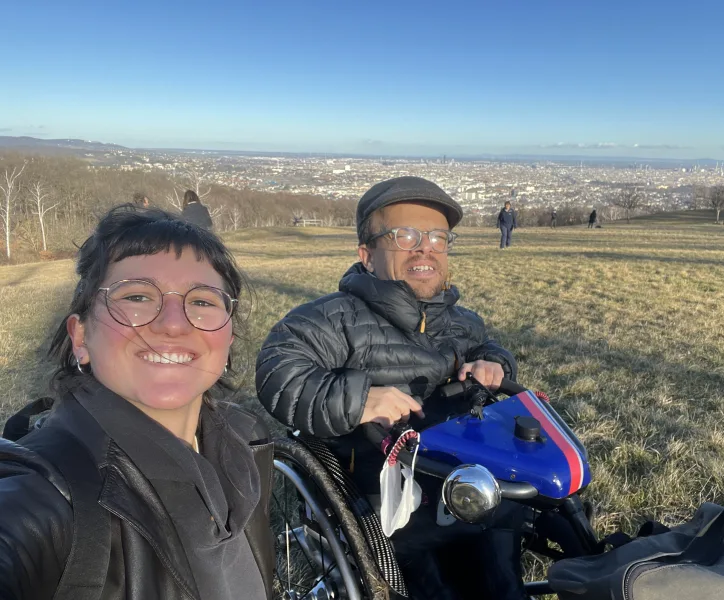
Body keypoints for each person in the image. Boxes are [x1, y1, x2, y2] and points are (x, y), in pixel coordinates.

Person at [257, 176, 525, 600]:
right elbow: (279, 374)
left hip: (468, 480)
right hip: (386, 497)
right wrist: (361, 399)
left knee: (505, 580)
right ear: (367, 255)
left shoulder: (463, 321)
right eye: (406, 236)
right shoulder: (332, 319)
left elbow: (490, 348)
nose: (425, 248)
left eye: (438, 237)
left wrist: (494, 362)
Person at [0, 206, 275, 599]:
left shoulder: (245, 443)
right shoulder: (49, 496)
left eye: (202, 302)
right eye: (138, 296)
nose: (173, 323)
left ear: (228, 341)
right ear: (81, 338)